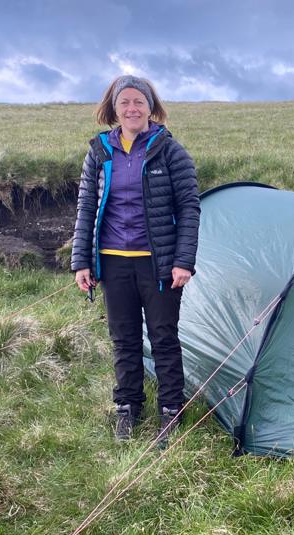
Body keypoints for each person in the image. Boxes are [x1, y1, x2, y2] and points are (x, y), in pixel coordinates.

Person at [70, 75, 200, 446]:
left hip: (157, 264)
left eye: (138, 102)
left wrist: (183, 261)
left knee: (163, 336)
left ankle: (170, 409)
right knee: (123, 339)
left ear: (150, 106)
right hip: (113, 262)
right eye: (124, 102)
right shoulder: (99, 151)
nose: (131, 109)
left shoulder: (170, 151)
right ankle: (127, 407)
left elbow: (189, 207)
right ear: (113, 108)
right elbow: (86, 207)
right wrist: (82, 261)